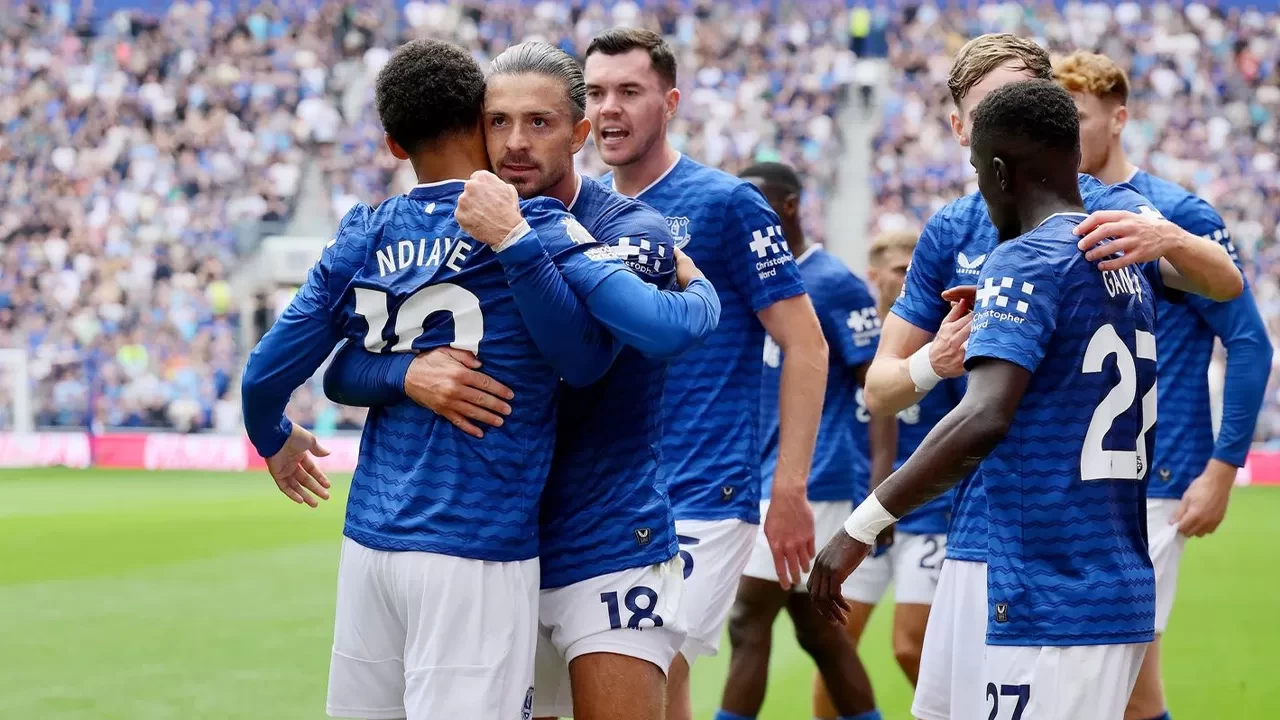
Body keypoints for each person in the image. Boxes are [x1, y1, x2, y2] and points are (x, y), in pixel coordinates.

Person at [240, 38, 716, 720]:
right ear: (475, 124)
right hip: (488, 540)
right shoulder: (523, 224)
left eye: (539, 122)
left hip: (599, 535)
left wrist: (698, 292)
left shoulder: (611, 226)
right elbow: (344, 372)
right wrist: (407, 372)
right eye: (500, 121)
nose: (516, 142)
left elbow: (635, 343)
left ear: (578, 134)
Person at [856, 33, 1244, 720]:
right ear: (961, 128)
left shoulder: (1108, 211)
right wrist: (932, 362)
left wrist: (1170, 239)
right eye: (989, 107)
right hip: (977, 531)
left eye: (1022, 96)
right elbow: (879, 389)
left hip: (1070, 539)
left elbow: (1225, 284)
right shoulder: (951, 230)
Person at [584, 28, 831, 720]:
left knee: (647, 669)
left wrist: (789, 489)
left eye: (629, 91)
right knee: (646, 685)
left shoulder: (727, 203)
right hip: (608, 491)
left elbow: (806, 346)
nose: (609, 108)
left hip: (704, 491)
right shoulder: (582, 209)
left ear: (670, 103)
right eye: (596, 93)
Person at [1055, 50, 1273, 720]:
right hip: (1074, 477)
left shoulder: (1175, 214)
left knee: (1101, 672)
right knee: (1127, 687)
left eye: (1079, 117)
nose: (1066, 132)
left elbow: (1248, 341)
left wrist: (1222, 468)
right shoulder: (1050, 217)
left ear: (1119, 120)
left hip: (1152, 477)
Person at [716, 162, 886, 720]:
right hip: (763, 473)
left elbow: (876, 389)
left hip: (812, 478)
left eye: (758, 203)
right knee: (819, 633)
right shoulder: (749, 279)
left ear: (788, 206)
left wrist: (879, 484)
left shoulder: (833, 282)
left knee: (747, 618)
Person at [811, 230, 959, 720]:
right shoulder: (853, 338)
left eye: (915, 269)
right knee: (835, 649)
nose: (910, 277)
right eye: (900, 269)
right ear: (873, 276)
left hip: (928, 514)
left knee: (910, 647)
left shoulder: (940, 338)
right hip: (863, 515)